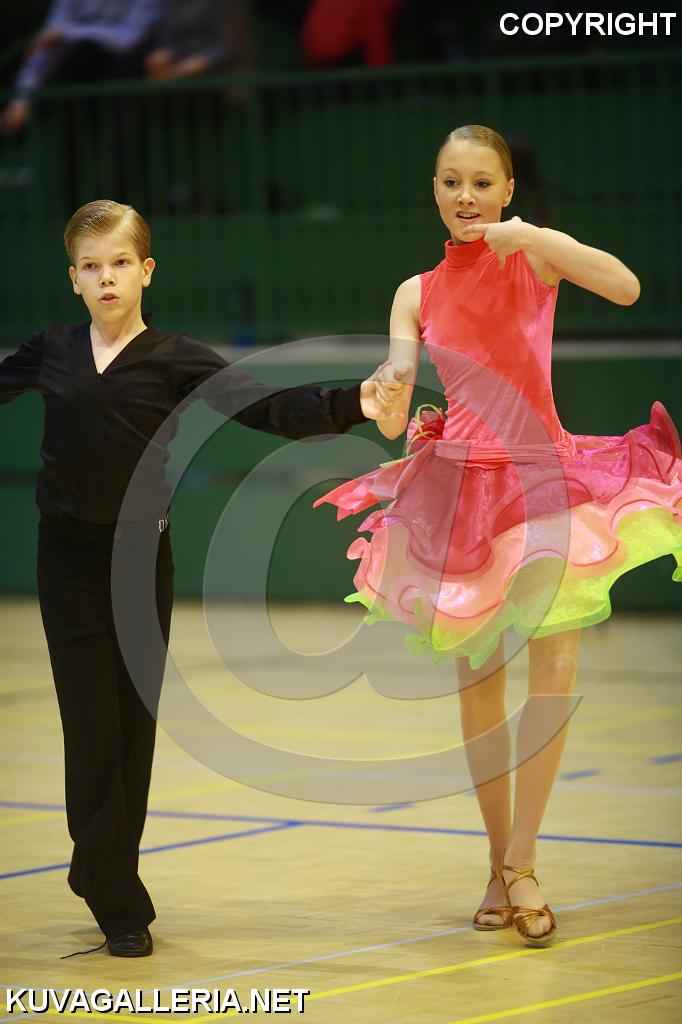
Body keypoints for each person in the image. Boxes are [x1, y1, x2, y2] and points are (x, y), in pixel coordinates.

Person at [0, 199, 404, 958]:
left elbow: (266, 408)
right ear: (73, 279)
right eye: (91, 266)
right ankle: (118, 899)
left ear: (146, 271)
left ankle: (100, 866)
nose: (107, 278)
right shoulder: (52, 350)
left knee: (132, 728)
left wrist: (355, 400)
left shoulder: (176, 357)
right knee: (90, 726)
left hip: (138, 561)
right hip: (65, 561)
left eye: (121, 263)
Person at [314, 124, 682, 947]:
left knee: (555, 670)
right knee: (479, 683)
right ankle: (494, 863)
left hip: (546, 479)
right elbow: (395, 410)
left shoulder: (533, 256)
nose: (467, 196)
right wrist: (391, 388)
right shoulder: (416, 291)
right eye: (452, 181)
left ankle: (524, 862)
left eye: (483, 182)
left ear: (508, 189)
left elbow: (625, 287)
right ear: (434, 191)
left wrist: (536, 238)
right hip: (465, 491)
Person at [2, 0, 161, 136]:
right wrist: (22, 100)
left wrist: (68, 34)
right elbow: (47, 42)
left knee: (89, 52)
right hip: (76, 80)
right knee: (78, 55)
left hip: (128, 79)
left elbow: (131, 38)